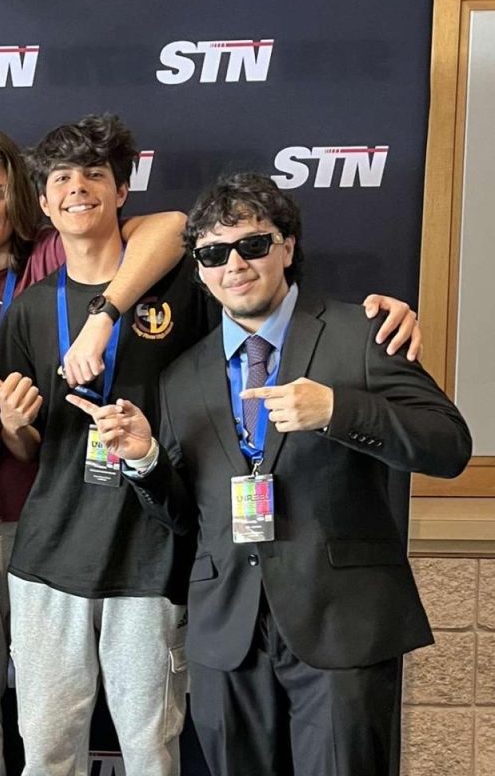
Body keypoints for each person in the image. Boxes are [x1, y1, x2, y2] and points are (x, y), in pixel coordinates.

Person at [91, 172, 471, 776]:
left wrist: (339, 411)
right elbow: (184, 516)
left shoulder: (364, 333)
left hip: (341, 623)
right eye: (214, 253)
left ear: (288, 246)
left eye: (253, 245)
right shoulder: (181, 376)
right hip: (227, 631)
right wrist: (145, 460)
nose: (234, 264)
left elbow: (449, 447)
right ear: (199, 269)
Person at [0, 127, 187, 776]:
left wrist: (102, 315)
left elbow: (174, 225)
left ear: (23, 199)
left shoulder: (47, 261)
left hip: (56, 524)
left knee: (132, 736)